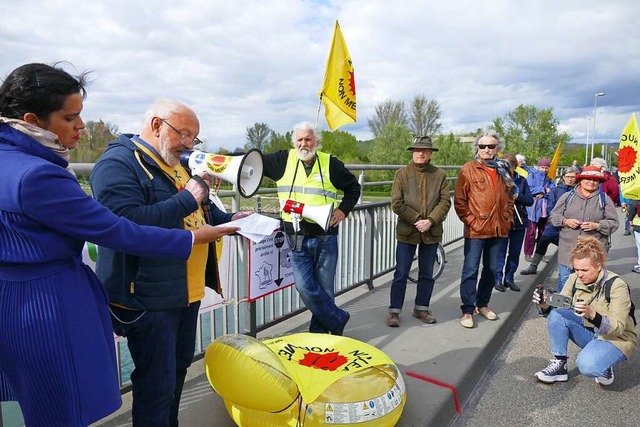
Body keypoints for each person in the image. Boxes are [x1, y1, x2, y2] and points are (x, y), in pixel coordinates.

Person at [0, 63, 237, 426]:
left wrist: (221, 221)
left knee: (170, 376)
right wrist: (189, 232)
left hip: (177, 291)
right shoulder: (46, 173)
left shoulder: (15, 162)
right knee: (67, 402)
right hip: (63, 302)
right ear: (34, 119)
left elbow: (201, 209)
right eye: (72, 117)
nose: (82, 125)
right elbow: (120, 226)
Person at [90, 99, 249, 427]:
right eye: (184, 134)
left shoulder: (178, 162)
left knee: (176, 371)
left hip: (184, 293)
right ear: (157, 124)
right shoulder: (119, 163)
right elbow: (127, 222)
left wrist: (231, 218)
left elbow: (200, 211)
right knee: (155, 383)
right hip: (146, 295)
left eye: (194, 138)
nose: (189, 144)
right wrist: (188, 196)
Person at [262, 121, 360, 335]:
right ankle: (337, 319)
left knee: (324, 289)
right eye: (300, 140)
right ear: (294, 142)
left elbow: (354, 188)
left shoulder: (330, 163)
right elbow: (253, 161)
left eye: (308, 139)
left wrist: (343, 210)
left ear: (317, 142)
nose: (304, 144)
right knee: (304, 286)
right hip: (296, 237)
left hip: (325, 236)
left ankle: (319, 334)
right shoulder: (282, 160)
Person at [532, 236, 637, 385]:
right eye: (576, 269)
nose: (580, 274)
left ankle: (604, 363)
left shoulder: (617, 285)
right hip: (592, 332)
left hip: (617, 338)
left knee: (587, 365)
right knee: (557, 314)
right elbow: (559, 310)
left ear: (599, 266)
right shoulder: (575, 278)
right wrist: (544, 305)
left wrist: (592, 314)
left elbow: (618, 328)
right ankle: (560, 364)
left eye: (585, 270)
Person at [386, 136, 451, 327]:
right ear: (412, 152)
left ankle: (421, 308)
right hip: (408, 231)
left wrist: (430, 221)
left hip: (431, 231)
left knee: (426, 273)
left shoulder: (439, 175)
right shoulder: (402, 174)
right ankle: (394, 311)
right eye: (416, 150)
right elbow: (396, 203)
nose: (420, 153)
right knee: (401, 272)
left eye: (424, 150)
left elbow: (445, 202)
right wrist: (417, 220)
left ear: (431, 153)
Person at [454, 130, 515, 328]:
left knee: (491, 269)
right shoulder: (468, 169)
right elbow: (460, 202)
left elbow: (510, 198)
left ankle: (483, 304)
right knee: (471, 269)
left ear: (498, 148)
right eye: (483, 146)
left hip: (498, 228)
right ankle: (467, 310)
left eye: (491, 146)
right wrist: (472, 221)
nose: (487, 149)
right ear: (477, 149)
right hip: (476, 229)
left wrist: (507, 218)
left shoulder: (504, 168)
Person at [548, 165, 618, 292]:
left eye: (595, 180)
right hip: (567, 250)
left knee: (590, 284)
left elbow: (614, 223)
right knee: (565, 280)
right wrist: (565, 221)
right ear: (580, 180)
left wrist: (597, 225)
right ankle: (562, 310)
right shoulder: (567, 197)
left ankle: (587, 310)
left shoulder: (604, 199)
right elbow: (553, 216)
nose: (591, 182)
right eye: (588, 179)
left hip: (593, 253)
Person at [520, 166, 579, 279]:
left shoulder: (578, 191)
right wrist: (556, 219)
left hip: (572, 225)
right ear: (563, 177)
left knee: (570, 247)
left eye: (573, 177)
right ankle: (533, 266)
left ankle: (572, 273)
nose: (570, 179)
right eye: (568, 177)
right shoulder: (556, 190)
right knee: (544, 239)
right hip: (556, 222)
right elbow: (550, 206)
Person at [495, 154, 533, 292]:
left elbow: (530, 200)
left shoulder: (521, 180)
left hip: (519, 221)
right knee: (500, 252)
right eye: (504, 165)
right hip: (503, 221)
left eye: (510, 165)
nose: (507, 168)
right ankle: (497, 278)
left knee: (514, 252)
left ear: (515, 166)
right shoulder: (498, 179)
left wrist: (518, 196)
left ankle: (509, 278)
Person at [523, 157, 555, 261]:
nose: (544, 169)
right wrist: (543, 189)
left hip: (544, 209)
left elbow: (553, 191)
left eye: (546, 168)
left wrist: (544, 194)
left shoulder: (549, 179)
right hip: (533, 208)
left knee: (543, 233)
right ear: (538, 166)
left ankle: (540, 254)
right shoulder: (531, 175)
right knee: (531, 232)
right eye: (542, 167)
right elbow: (530, 189)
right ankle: (528, 253)